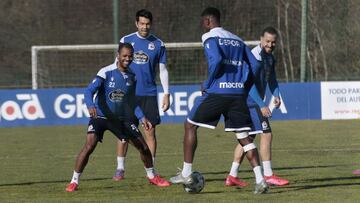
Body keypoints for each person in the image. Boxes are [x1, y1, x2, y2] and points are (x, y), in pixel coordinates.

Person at [169, 7, 269, 194]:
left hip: (218, 93)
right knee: (244, 138)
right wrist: (243, 85)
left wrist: (208, 83)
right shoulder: (238, 40)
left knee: (190, 125)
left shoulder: (209, 37)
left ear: (207, 21)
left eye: (203, 23)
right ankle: (261, 180)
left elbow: (215, 60)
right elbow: (255, 65)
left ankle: (186, 172)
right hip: (238, 96)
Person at [66, 43, 170, 192]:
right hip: (100, 116)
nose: (127, 59)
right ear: (118, 55)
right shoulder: (106, 72)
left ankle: (152, 176)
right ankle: (74, 181)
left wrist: (141, 117)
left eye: (130, 56)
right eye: (124, 56)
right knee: (89, 145)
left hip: (121, 119)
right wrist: (90, 105)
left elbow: (131, 100)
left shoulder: (132, 76)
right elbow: (89, 91)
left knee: (144, 148)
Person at [224, 27, 289, 187]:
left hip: (253, 102)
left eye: (273, 42)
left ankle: (232, 176)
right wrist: (261, 105)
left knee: (248, 138)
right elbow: (248, 83)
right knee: (266, 134)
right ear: (261, 39)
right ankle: (268, 175)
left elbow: (272, 79)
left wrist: (276, 94)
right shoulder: (254, 56)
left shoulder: (270, 58)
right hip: (249, 101)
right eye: (267, 41)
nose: (270, 45)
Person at [113, 9, 170, 181]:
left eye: (147, 24)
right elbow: (116, 64)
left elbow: (163, 70)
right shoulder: (126, 40)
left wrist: (167, 93)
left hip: (149, 94)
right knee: (124, 133)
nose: (144, 27)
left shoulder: (158, 44)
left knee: (150, 132)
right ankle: (120, 168)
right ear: (136, 23)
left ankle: (150, 171)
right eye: (142, 23)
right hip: (129, 94)